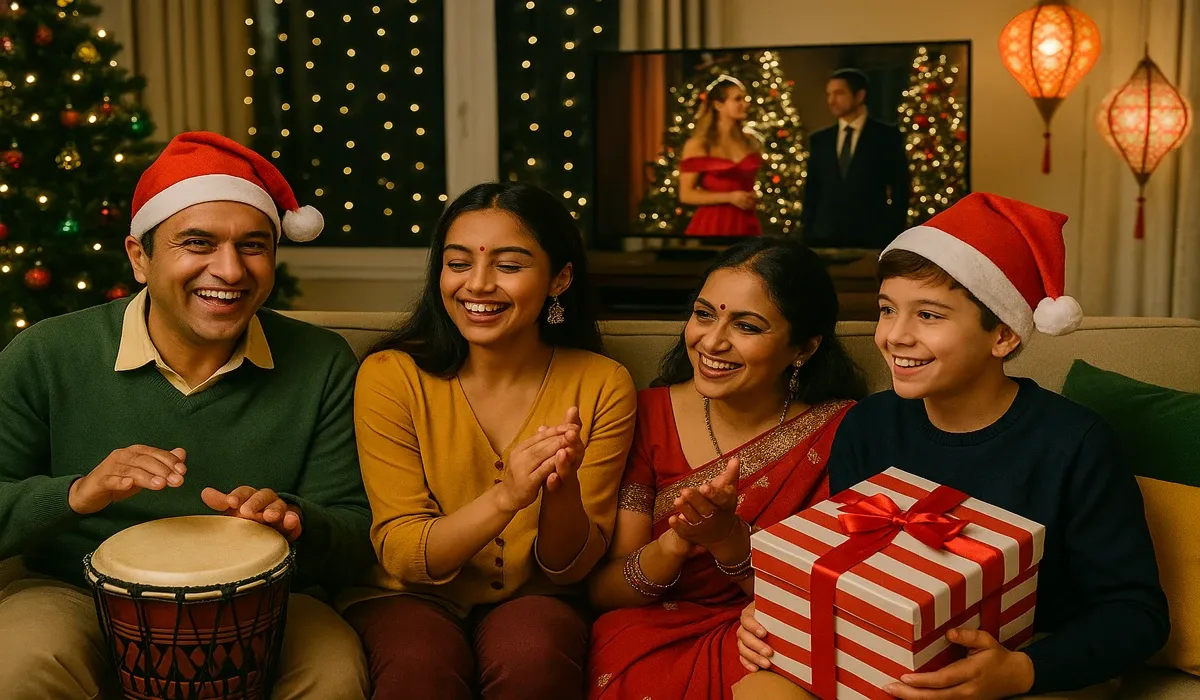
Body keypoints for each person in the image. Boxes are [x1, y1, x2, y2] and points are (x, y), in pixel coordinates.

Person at [734, 193, 1170, 699]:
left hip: (1030, 664)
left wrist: (1021, 670)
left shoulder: (1076, 443)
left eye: (930, 316)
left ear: (1003, 335)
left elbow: (1136, 614)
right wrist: (780, 613)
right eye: (886, 309)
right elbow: (848, 562)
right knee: (758, 691)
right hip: (894, 657)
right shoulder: (868, 425)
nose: (895, 335)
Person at [0, 131, 373, 699]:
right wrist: (78, 492)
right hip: (73, 590)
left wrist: (294, 519)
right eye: (197, 243)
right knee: (20, 664)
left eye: (254, 245)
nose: (229, 270)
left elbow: (356, 532)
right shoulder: (47, 354)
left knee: (333, 671)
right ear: (140, 258)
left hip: (269, 598)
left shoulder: (322, 363)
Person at [344, 182, 638, 700]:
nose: (477, 285)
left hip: (539, 595)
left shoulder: (602, 383)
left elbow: (573, 566)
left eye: (509, 265)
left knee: (534, 657)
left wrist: (561, 490)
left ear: (559, 279)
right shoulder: (391, 375)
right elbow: (403, 553)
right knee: (419, 669)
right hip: (405, 595)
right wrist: (508, 498)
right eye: (458, 263)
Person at [585, 237, 868, 699]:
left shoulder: (841, 431)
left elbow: (840, 598)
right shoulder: (646, 415)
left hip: (770, 636)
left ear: (804, 347)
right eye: (703, 314)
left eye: (747, 326)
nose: (712, 341)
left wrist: (729, 543)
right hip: (651, 631)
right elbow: (605, 593)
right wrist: (677, 541)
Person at [801, 68, 909, 249]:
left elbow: (900, 188)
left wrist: (892, 232)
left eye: (839, 93)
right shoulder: (820, 140)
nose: (831, 101)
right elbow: (812, 189)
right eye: (828, 94)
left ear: (859, 96)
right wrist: (808, 231)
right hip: (824, 238)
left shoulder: (886, 136)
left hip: (871, 238)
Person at [679, 75, 764, 238]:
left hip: (747, 223)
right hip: (714, 225)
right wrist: (729, 197)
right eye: (738, 99)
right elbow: (686, 194)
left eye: (745, 98)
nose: (745, 104)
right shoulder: (699, 145)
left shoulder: (750, 141)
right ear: (718, 105)